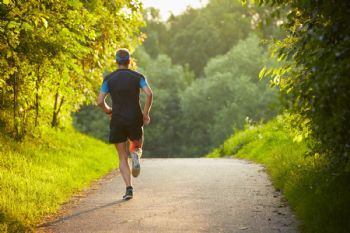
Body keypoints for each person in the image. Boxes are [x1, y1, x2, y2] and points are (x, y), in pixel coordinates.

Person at [96, 48, 153, 200]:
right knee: (137, 146)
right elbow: (149, 94)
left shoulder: (109, 79)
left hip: (118, 120)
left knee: (122, 156)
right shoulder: (138, 77)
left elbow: (100, 101)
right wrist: (145, 114)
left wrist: (109, 111)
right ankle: (135, 155)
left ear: (116, 61)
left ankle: (129, 189)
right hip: (135, 118)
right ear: (129, 61)